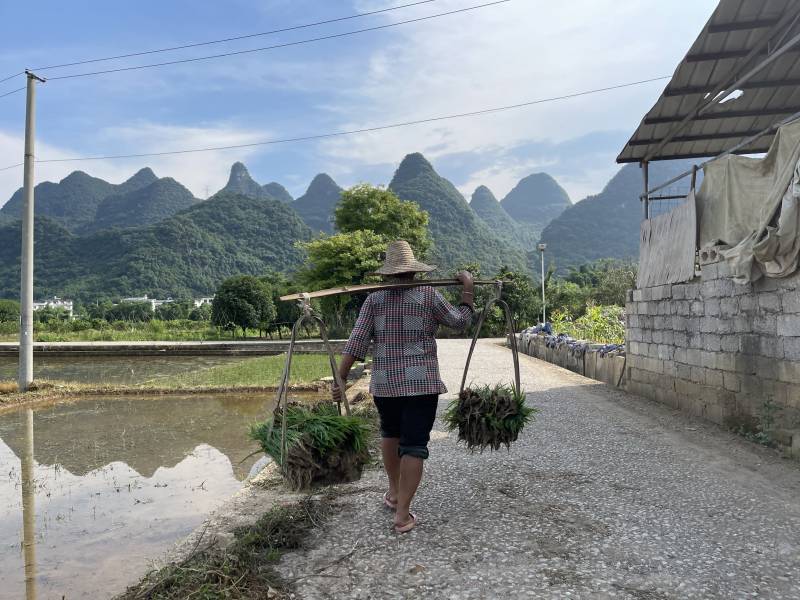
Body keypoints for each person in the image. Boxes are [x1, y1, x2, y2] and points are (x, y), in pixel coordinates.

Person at [334, 240, 474, 533]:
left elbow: (356, 341)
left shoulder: (374, 300)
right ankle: (402, 513)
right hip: (422, 383)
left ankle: (395, 493)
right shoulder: (428, 295)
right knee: (414, 445)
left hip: (386, 385)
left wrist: (341, 376)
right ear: (413, 271)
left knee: (391, 433)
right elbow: (460, 322)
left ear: (387, 273)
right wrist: (468, 290)